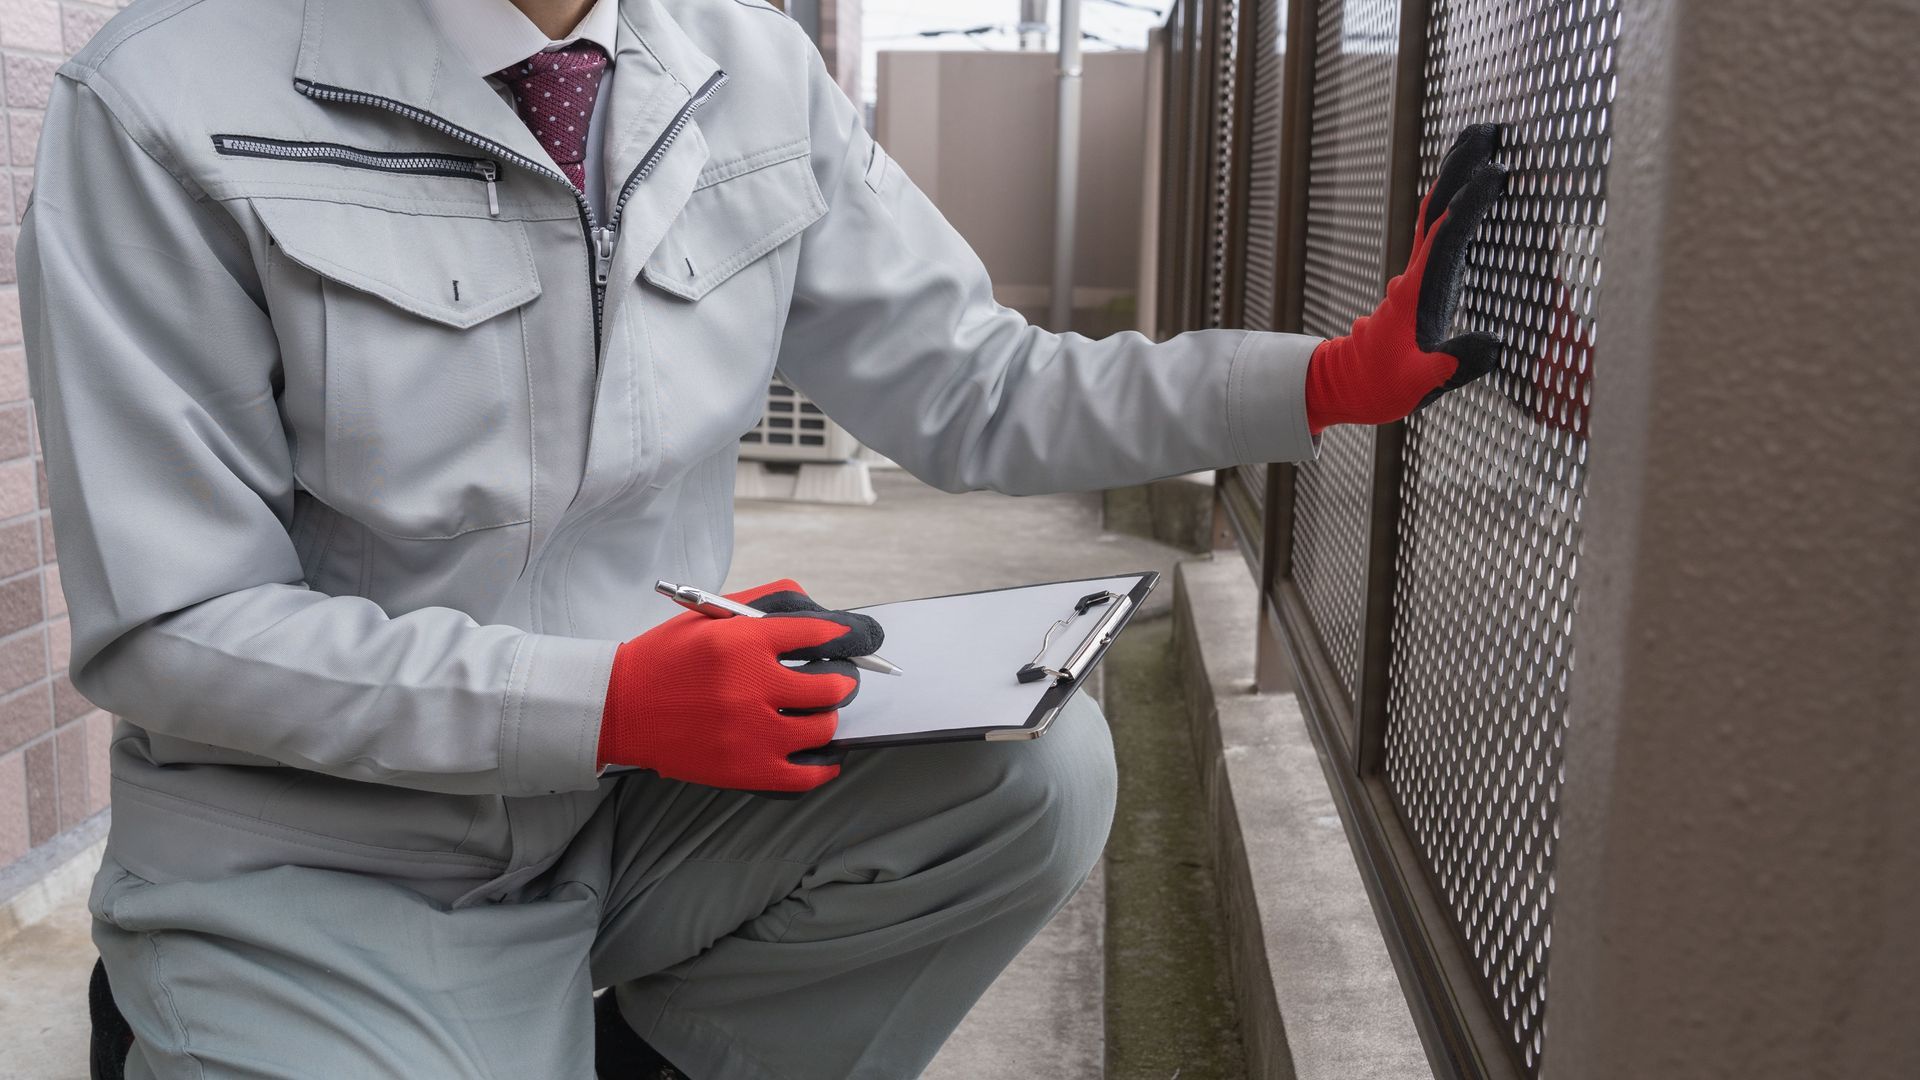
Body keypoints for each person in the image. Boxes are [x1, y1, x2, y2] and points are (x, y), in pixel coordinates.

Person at [16, 0, 1507, 1075]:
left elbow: (975, 385)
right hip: (322, 854)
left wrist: (1325, 380)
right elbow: (177, 630)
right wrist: (608, 699)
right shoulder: (170, 97)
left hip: (627, 807)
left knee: (1027, 773)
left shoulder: (744, 66)